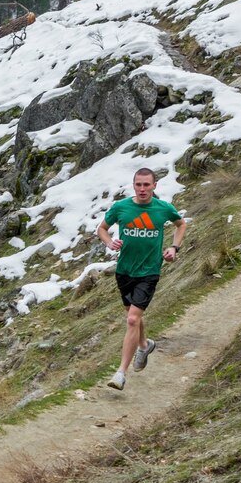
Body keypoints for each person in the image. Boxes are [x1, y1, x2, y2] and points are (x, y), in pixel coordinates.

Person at [96, 167, 186, 391]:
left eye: (147, 185)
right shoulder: (121, 207)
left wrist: (174, 248)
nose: (143, 189)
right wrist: (109, 242)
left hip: (149, 271)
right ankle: (145, 345)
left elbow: (181, 224)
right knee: (132, 315)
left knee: (133, 319)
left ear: (155, 186)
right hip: (124, 270)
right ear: (133, 185)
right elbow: (102, 229)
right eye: (139, 184)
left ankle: (120, 373)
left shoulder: (163, 209)